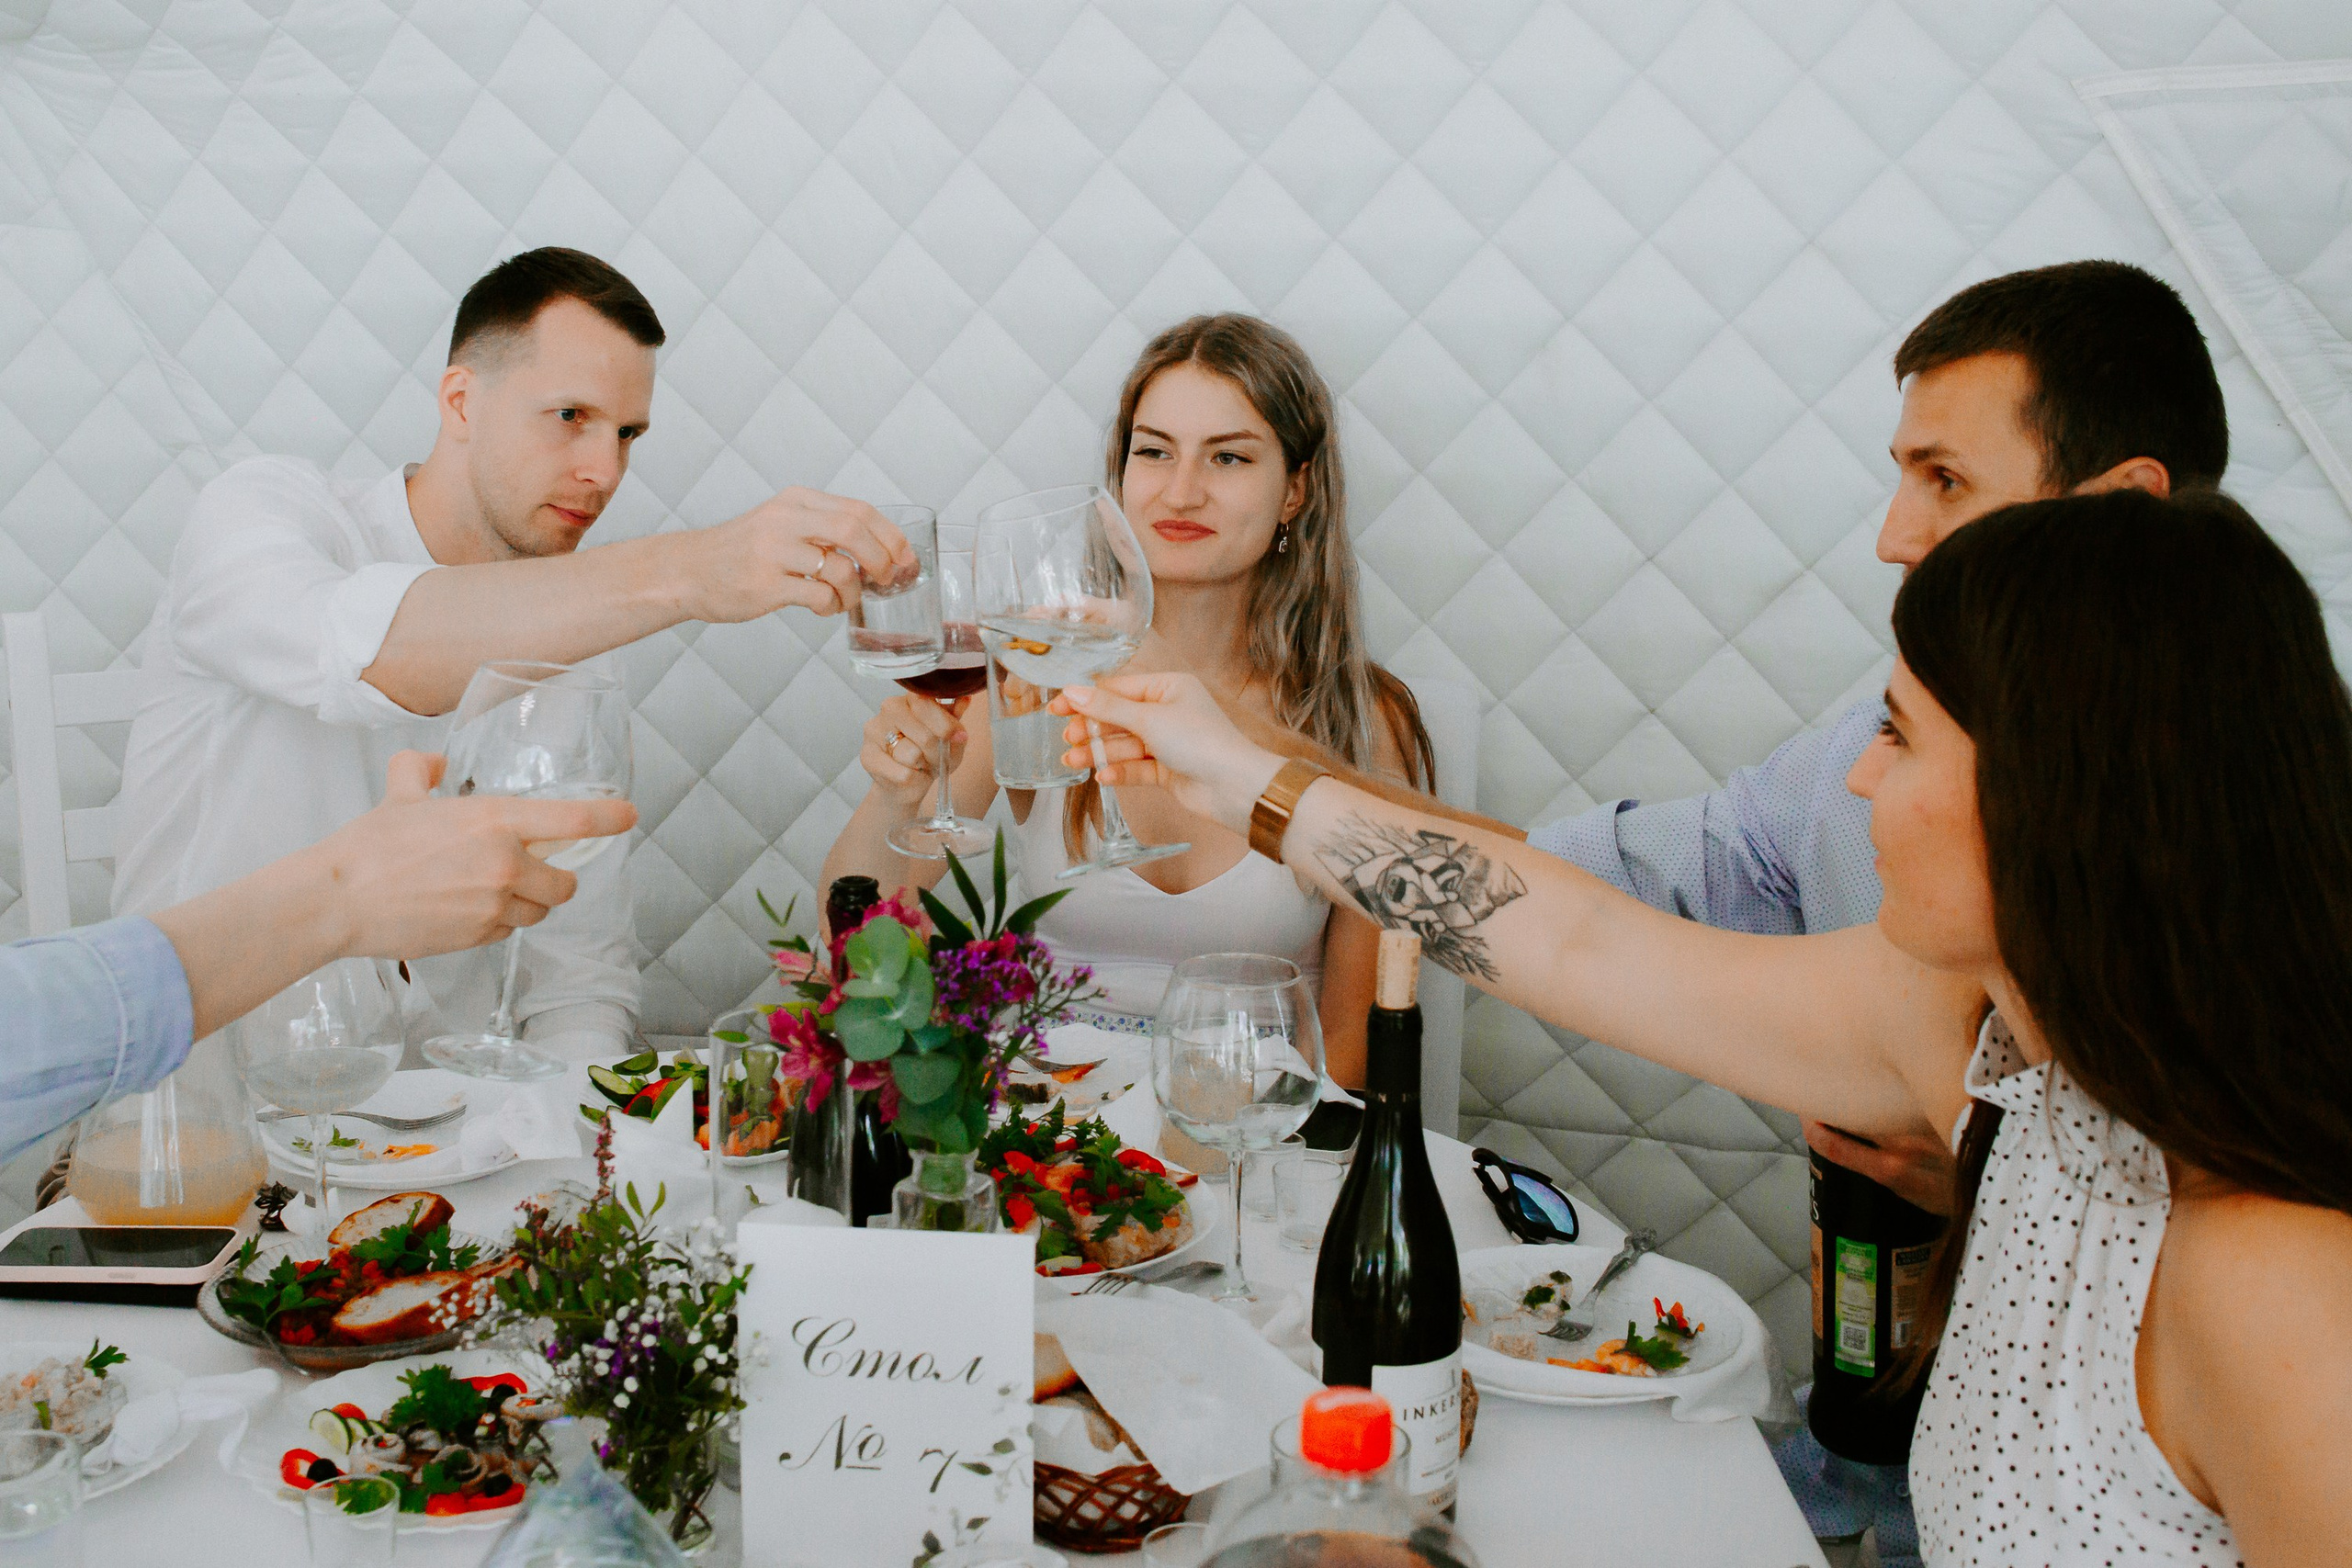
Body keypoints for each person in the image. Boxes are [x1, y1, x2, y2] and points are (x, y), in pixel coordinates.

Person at [1053, 486, 2352, 1564]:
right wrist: (1235, 771)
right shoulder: (1980, 1042)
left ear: (2061, 793)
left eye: (1898, 733)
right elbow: (1575, 939)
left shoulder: (2274, 1284)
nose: (1856, 773)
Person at [1530, 259, 2230, 1213]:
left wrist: (2009, 1193)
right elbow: (1582, 904)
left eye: (1945, 479)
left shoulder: (2287, 848)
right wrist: (1298, 796)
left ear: (2118, 509)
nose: (1893, 538)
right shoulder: (1859, 762)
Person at [110, 246, 911, 1066]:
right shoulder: (261, 514)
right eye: (570, 416)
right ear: (460, 400)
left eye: (626, 433)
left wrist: (569, 1159)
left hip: (452, 1152)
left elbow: (579, 980)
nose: (605, 471)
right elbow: (369, 654)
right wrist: (693, 570)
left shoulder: (576, 639)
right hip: (191, 1134)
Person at [820, 313, 1431, 1085]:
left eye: (1230, 457)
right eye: (1154, 451)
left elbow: (1355, 1036)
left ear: (1295, 491)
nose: (1181, 491)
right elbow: (851, 944)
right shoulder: (1030, 679)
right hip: (1050, 1131)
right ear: (1120, 477)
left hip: (1255, 1132)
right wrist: (895, 802)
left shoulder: (1364, 722)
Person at [2, 751, 634, 1163]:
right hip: (194, 1172)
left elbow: (583, 983)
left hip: (463, 1163)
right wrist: (346, 899)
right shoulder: (250, 573)